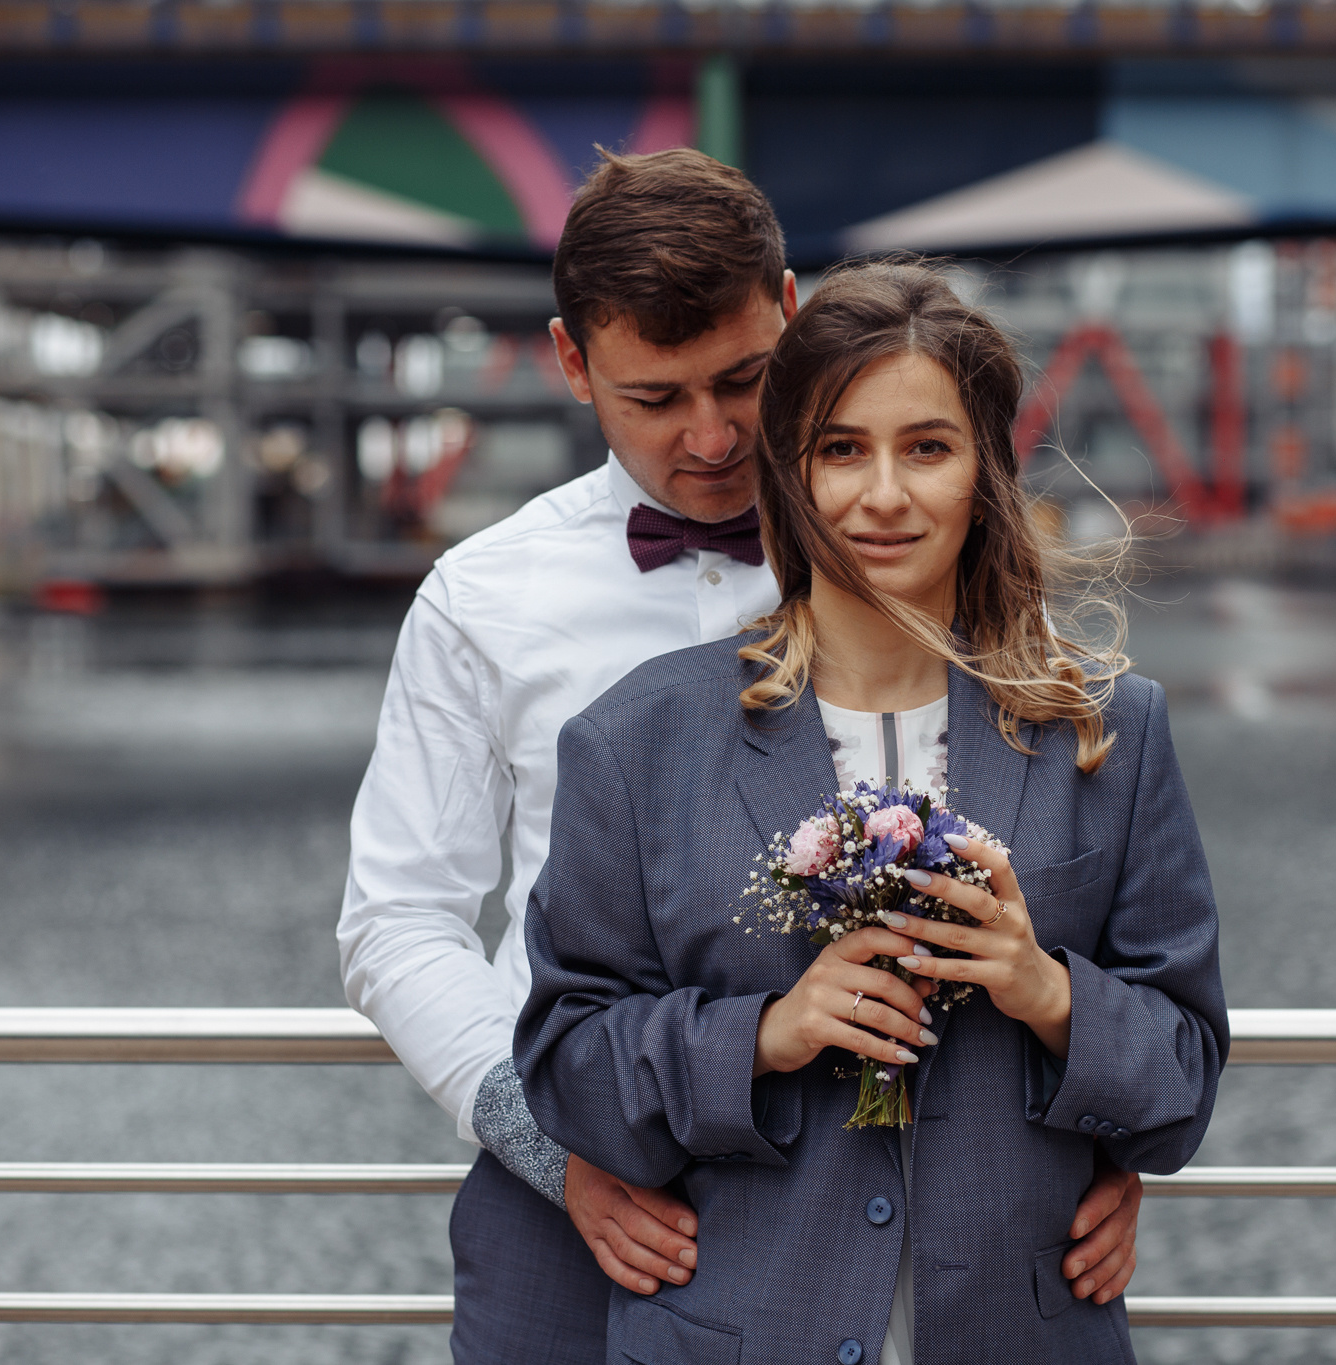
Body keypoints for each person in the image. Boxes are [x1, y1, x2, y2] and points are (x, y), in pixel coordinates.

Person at [338, 154, 1145, 1363]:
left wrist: (1087, 1140)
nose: (710, 439)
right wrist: (556, 1156)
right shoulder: (481, 597)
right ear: (570, 363)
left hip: (900, 1208)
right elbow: (398, 921)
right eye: (652, 399)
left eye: (742, 381)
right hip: (582, 1198)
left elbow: (1076, 857)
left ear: (789, 310)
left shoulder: (908, 540)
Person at [516, 260, 1226, 1363]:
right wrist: (762, 1036)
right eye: (842, 449)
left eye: (926, 448)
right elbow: (565, 1066)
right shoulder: (633, 742)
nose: (882, 495)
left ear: (983, 469)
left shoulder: (1109, 730)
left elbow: (1181, 1085)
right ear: (788, 473)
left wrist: (1047, 995)